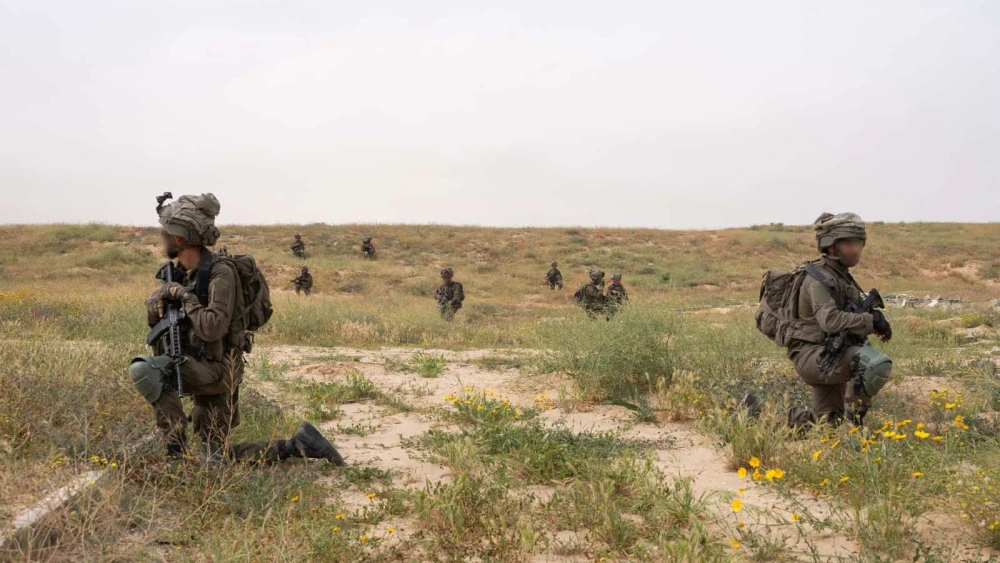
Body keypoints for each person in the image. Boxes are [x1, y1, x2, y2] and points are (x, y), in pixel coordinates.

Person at [129, 193, 343, 464]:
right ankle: (298, 444)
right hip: (197, 367)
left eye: (165, 232)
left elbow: (211, 328)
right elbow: (162, 324)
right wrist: (157, 300)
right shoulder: (182, 273)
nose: (162, 236)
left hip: (218, 374)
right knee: (214, 460)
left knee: (143, 369)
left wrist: (184, 296)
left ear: (179, 238)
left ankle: (175, 457)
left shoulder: (221, 274)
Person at [744, 213, 893, 427]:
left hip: (831, 353)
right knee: (875, 364)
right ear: (831, 245)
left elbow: (846, 324)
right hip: (814, 356)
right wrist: (871, 321)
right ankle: (854, 427)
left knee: (827, 424)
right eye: (849, 243)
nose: (856, 249)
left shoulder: (841, 277)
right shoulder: (818, 280)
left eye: (859, 243)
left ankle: (757, 418)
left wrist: (874, 322)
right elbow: (830, 321)